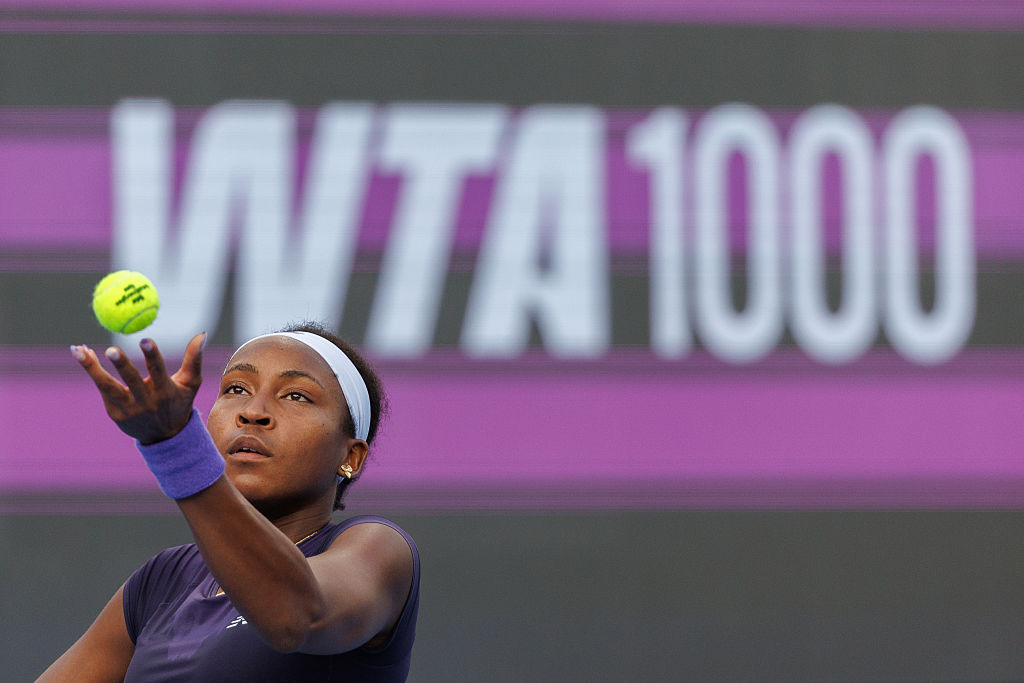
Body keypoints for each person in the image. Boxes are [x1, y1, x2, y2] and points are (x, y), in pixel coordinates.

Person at [38, 322, 419, 682]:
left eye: (296, 396)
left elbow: (297, 616)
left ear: (350, 458)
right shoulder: (162, 580)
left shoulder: (379, 548)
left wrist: (178, 450)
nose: (253, 413)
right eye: (237, 389)